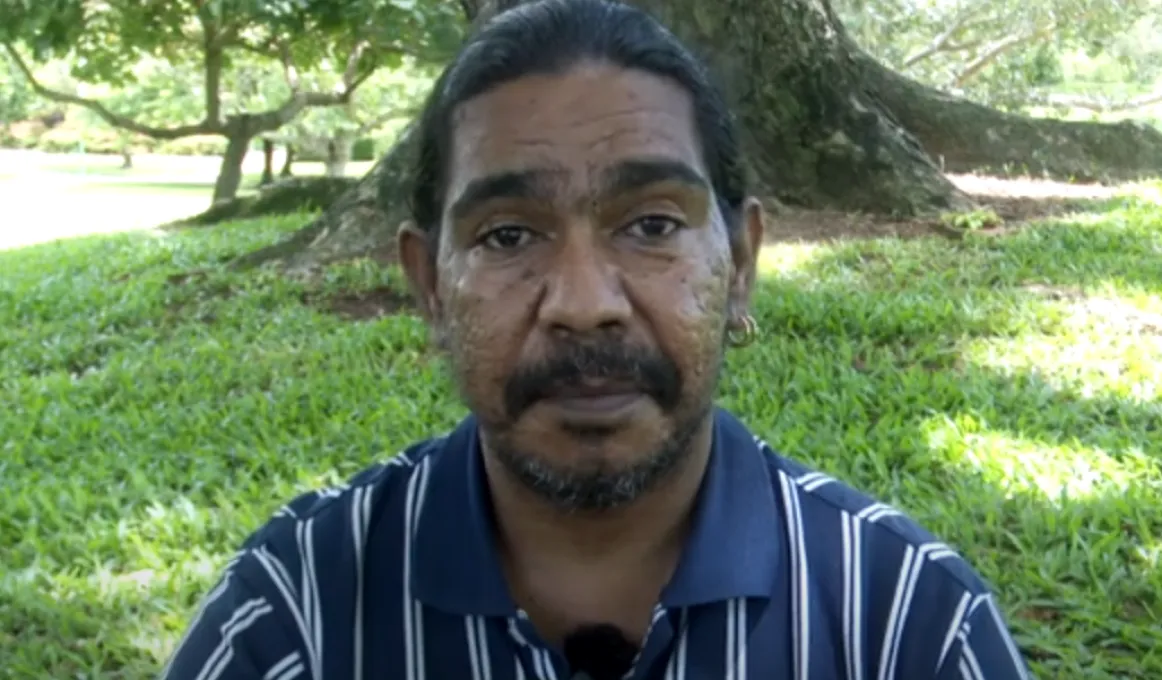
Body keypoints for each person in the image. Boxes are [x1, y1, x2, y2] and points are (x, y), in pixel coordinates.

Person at [162, 0, 1032, 678]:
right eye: (508, 236)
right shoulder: (295, 619)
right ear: (429, 285)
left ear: (740, 266)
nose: (584, 305)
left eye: (652, 225)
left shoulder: (909, 621)